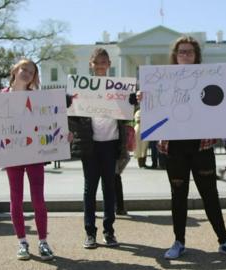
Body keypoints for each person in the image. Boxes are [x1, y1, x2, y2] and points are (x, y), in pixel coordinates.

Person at [140, 36, 226, 259]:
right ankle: (179, 241)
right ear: (175, 56)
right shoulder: (162, 80)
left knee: (210, 195)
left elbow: (221, 105)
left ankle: (224, 240)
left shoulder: (209, 76)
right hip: (174, 147)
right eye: (181, 52)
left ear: (196, 56)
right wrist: (143, 97)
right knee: (178, 195)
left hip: (201, 146)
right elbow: (153, 107)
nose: (185, 55)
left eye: (189, 52)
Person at [0, 59, 69, 261]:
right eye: (23, 68)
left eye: (31, 71)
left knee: (38, 199)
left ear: (34, 77)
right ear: (14, 70)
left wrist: (63, 136)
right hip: (12, 154)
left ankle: (43, 241)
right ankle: (22, 242)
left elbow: (51, 123)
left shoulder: (39, 98)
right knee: (15, 198)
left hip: (34, 155)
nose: (26, 72)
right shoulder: (0, 96)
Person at [68, 48, 130, 249]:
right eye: (97, 62)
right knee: (90, 189)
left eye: (104, 61)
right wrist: (69, 104)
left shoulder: (119, 88)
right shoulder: (81, 88)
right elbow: (74, 118)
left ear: (109, 64)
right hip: (90, 145)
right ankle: (89, 232)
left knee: (109, 188)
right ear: (91, 64)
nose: (101, 65)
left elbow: (127, 113)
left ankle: (109, 231)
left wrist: (132, 102)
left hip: (111, 143)